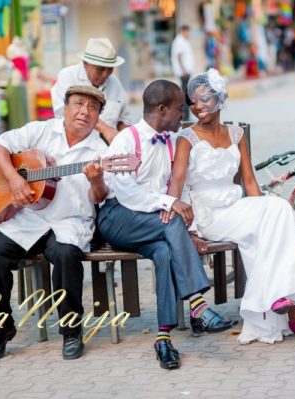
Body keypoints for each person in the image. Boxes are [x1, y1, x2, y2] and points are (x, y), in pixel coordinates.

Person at [168, 69, 295, 345]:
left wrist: (260, 210)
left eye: (205, 99)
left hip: (235, 206)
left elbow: (250, 182)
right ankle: (290, 306)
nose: (198, 106)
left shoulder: (236, 133)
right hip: (207, 215)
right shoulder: (186, 139)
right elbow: (176, 190)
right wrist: (189, 231)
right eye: (192, 101)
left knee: (279, 209)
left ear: (220, 98)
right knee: (273, 214)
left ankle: (285, 298)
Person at [99, 79, 237, 370]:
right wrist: (167, 203)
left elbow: (181, 186)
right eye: (178, 109)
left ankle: (163, 338)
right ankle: (198, 306)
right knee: (171, 221)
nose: (182, 116)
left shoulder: (174, 142)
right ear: (161, 109)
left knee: (164, 251)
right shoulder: (128, 139)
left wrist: (187, 225)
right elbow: (125, 192)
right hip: (118, 218)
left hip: (154, 222)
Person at [0, 85, 108, 362]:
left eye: (93, 108)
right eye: (78, 104)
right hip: (28, 218)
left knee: (65, 255)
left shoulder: (101, 151)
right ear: (65, 108)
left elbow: (98, 198)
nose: (84, 111)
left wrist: (96, 180)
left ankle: (71, 331)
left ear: (98, 117)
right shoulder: (40, 130)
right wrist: (14, 179)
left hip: (70, 221)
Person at [51, 38, 131, 145]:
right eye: (100, 69)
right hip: (74, 144)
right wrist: (106, 129)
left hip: (109, 147)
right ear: (85, 63)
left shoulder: (115, 83)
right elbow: (65, 115)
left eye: (110, 69)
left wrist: (127, 140)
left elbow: (124, 120)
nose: (105, 74)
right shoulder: (68, 76)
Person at [171, 25, 195, 121]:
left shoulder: (184, 41)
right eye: (187, 31)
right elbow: (178, 56)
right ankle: (185, 117)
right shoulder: (179, 41)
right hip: (183, 73)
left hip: (186, 72)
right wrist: (184, 70)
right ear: (183, 31)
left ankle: (187, 116)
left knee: (186, 93)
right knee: (185, 95)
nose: (188, 34)